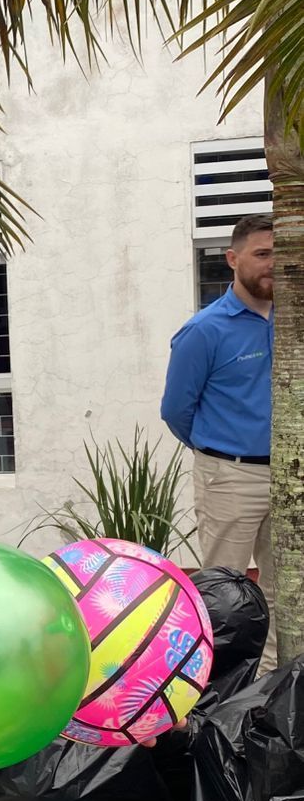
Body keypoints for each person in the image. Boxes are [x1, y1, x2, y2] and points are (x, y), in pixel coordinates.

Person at [161, 213, 275, 670]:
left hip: (290, 475)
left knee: (286, 586)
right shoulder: (205, 330)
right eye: (262, 253)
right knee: (224, 590)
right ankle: (219, 683)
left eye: (281, 252)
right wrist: (217, 451)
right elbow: (176, 409)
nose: (273, 263)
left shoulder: (292, 318)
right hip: (230, 476)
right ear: (232, 258)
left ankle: (273, 679)